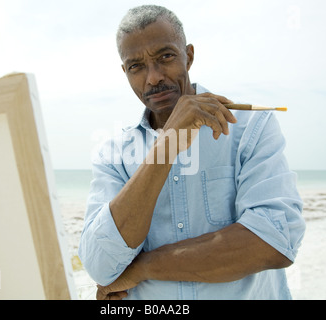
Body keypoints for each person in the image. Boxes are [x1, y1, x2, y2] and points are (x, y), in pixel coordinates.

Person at [78, 5, 305, 300]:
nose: (153, 78)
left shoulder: (251, 128)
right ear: (125, 72)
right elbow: (100, 266)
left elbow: (274, 241)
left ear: (189, 56)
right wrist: (167, 145)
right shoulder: (114, 156)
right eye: (136, 66)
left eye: (165, 57)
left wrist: (142, 268)